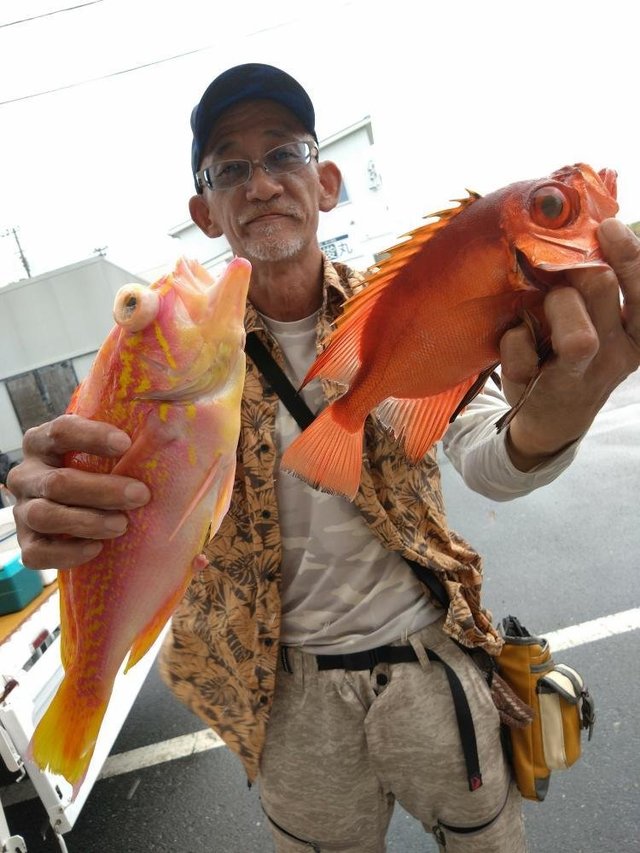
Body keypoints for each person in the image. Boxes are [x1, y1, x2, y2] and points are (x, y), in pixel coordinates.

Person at [7, 63, 640, 852]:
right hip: (285, 698)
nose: (261, 182)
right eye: (230, 167)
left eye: (284, 154)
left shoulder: (403, 304)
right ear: (206, 212)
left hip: (432, 666)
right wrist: (55, 499)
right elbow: (109, 479)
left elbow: (484, 452)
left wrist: (558, 414)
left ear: (327, 181)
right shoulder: (172, 347)